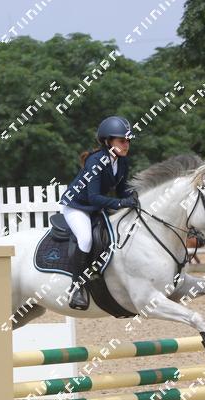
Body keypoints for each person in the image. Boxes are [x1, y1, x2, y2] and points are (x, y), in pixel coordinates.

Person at [58, 116, 139, 310]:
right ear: (108, 141)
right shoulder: (96, 161)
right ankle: (76, 288)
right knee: (86, 239)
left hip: (94, 207)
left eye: (128, 141)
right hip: (76, 206)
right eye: (122, 141)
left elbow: (122, 191)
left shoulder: (122, 162)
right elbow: (94, 197)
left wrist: (137, 196)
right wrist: (121, 203)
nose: (126, 145)